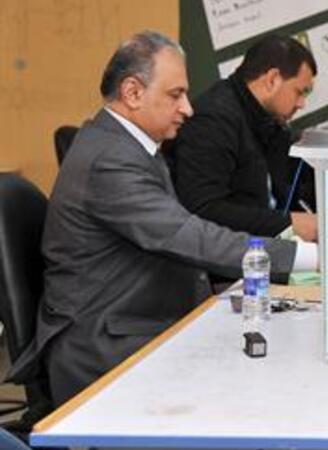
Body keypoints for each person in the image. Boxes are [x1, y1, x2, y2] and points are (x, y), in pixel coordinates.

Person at [7, 31, 310, 406]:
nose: (188, 109)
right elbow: (187, 236)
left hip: (138, 321)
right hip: (106, 348)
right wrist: (305, 257)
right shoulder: (110, 161)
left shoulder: (129, 146)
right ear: (133, 92)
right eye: (175, 95)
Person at [172, 34, 318, 242]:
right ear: (272, 79)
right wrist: (289, 223)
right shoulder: (212, 120)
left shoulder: (271, 121)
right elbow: (204, 209)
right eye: (299, 92)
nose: (301, 104)